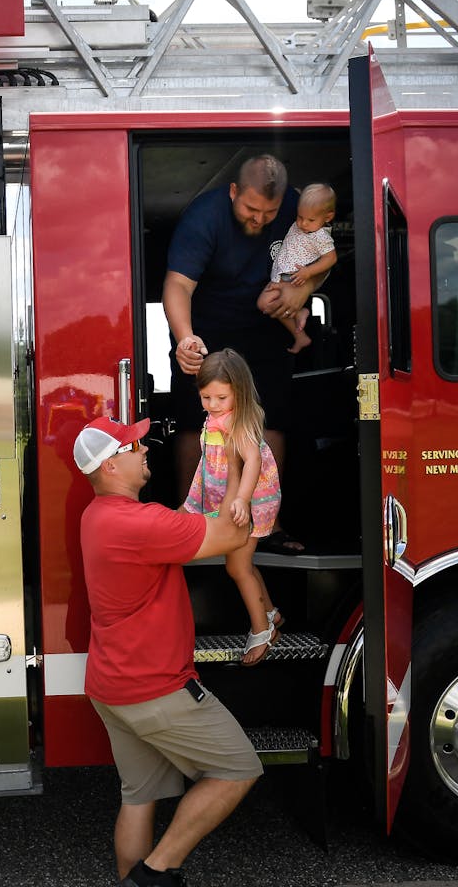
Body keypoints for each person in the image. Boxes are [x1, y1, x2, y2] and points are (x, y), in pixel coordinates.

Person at [75, 415, 263, 887]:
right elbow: (234, 535)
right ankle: (157, 873)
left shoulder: (96, 516)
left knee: (139, 797)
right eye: (133, 446)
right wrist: (238, 458)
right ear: (111, 466)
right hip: (155, 690)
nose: (144, 450)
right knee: (238, 768)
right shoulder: (141, 524)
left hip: (111, 687)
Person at [163, 154, 329, 552]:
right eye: (251, 209)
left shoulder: (297, 208)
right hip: (207, 327)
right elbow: (177, 285)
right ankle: (193, 524)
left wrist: (303, 291)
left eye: (268, 213)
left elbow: (325, 259)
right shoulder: (204, 217)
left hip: (267, 328)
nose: (258, 220)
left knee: (270, 418)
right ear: (233, 192)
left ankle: (265, 526)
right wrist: (185, 337)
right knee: (195, 420)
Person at [182, 350, 284, 665]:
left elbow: (252, 461)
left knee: (237, 567)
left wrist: (241, 498)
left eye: (220, 397)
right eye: (205, 397)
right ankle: (270, 614)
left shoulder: (238, 422)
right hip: (230, 498)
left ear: (237, 392)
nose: (212, 404)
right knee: (243, 563)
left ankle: (261, 630)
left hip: (249, 503)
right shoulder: (217, 418)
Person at [257, 183, 338, 353]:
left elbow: (331, 258)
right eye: (300, 217)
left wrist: (308, 272)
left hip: (295, 277)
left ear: (328, 217)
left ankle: (300, 331)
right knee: (266, 304)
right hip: (282, 274)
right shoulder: (305, 222)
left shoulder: (320, 236)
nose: (302, 224)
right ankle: (300, 322)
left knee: (265, 303)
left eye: (310, 220)